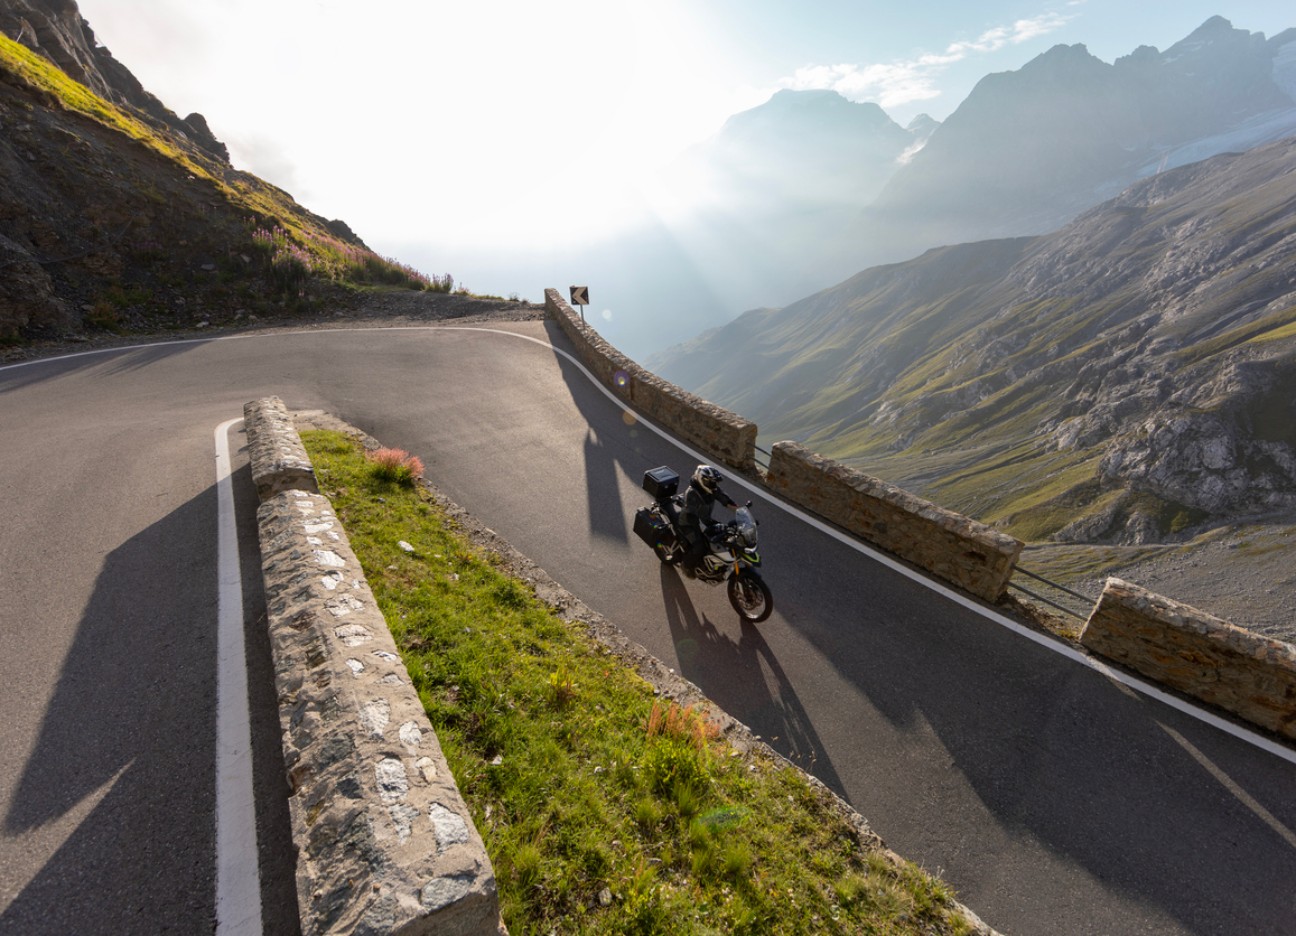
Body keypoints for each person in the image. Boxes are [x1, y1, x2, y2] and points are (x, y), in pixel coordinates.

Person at [678, 464, 738, 577]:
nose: (714, 485)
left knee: (725, 533)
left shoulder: (711, 489)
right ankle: (686, 566)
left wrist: (740, 510)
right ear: (703, 480)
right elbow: (692, 517)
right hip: (689, 523)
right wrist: (705, 531)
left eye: (715, 482)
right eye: (711, 482)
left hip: (704, 520)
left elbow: (724, 498)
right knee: (700, 546)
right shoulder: (692, 494)